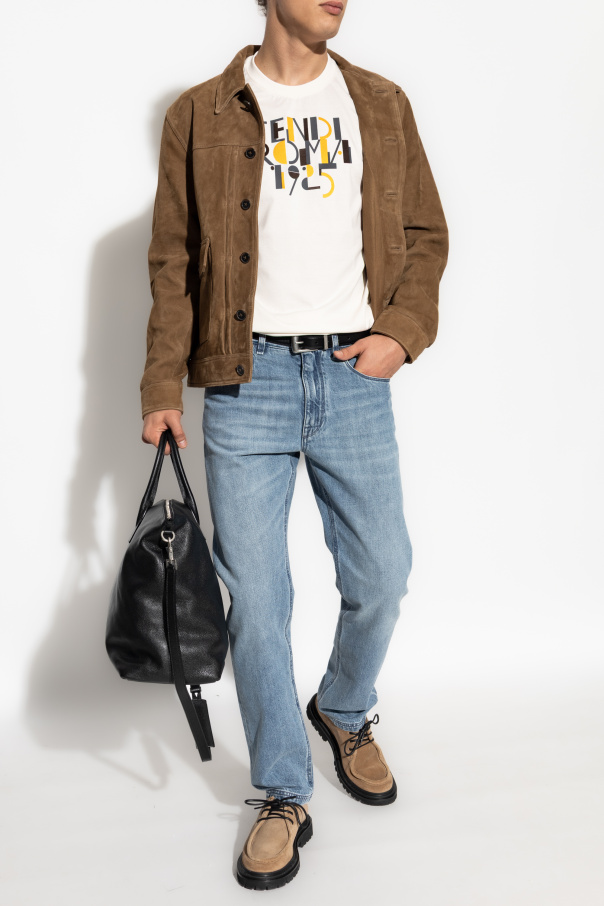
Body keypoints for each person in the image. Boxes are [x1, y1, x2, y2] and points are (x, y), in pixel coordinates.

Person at [140, 0, 448, 890]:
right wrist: (162, 386)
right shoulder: (200, 112)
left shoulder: (381, 102)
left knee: (383, 572)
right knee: (259, 600)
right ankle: (282, 789)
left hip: (353, 374)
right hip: (247, 381)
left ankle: (343, 708)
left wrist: (401, 335)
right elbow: (173, 260)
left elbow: (426, 235)